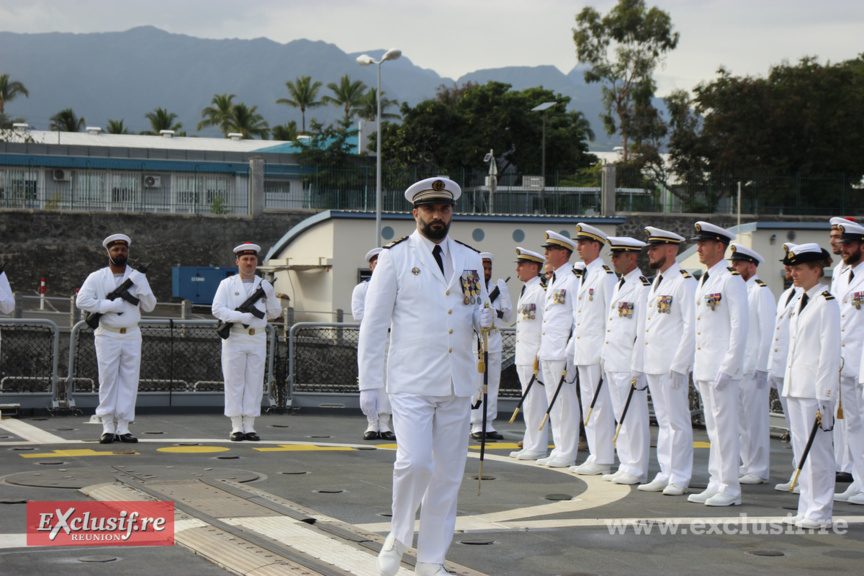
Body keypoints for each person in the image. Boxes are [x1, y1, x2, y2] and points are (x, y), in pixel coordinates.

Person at [357, 176, 493, 576]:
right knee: (416, 463)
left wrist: (483, 320)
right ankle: (397, 538)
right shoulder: (395, 257)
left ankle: (432, 561)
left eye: (445, 208)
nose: (438, 215)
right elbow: (374, 324)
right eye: (430, 209)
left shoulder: (469, 258)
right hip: (411, 380)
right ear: (415, 213)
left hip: (456, 381)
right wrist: (369, 384)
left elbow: (474, 309)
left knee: (447, 477)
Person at [687, 221, 749, 507]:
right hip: (706, 366)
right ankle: (716, 480)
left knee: (725, 429)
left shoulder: (730, 278)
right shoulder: (705, 278)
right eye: (698, 243)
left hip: (722, 368)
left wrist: (730, 365)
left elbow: (739, 325)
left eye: (704, 243)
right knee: (714, 429)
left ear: (719, 247)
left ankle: (731, 487)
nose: (698, 247)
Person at [632, 227, 696, 496]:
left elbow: (691, 327)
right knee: (664, 420)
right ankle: (666, 470)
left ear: (671, 250)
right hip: (654, 362)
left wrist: (680, 365)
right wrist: (639, 363)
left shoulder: (684, 281)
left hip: (672, 364)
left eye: (655, 248)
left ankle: (679, 476)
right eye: (650, 248)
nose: (650, 252)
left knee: (677, 421)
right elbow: (646, 327)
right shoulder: (658, 281)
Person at [782, 243, 841, 529]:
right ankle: (807, 505)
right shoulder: (799, 300)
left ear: (816, 271)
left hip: (814, 389)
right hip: (796, 386)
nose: (793, 272)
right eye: (791, 268)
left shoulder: (827, 302)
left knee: (818, 452)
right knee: (801, 450)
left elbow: (829, 352)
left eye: (799, 268)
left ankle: (821, 510)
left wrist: (826, 394)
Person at [76, 234, 156, 443]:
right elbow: (82, 300)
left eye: (123, 249)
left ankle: (123, 427)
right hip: (107, 334)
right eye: (116, 250)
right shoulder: (97, 277)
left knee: (129, 380)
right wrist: (108, 306)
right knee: (108, 379)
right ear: (108, 252)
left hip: (131, 334)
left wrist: (143, 286)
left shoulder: (137, 277)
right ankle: (107, 426)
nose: (120, 253)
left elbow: (149, 306)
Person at [212, 242, 282, 442]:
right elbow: (217, 309)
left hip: (257, 337)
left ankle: (250, 425)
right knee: (234, 381)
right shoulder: (227, 284)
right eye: (245, 259)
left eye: (252, 259)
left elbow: (276, 313)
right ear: (237, 261)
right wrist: (238, 317)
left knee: (254, 382)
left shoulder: (264, 285)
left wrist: (269, 296)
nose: (249, 263)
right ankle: (236, 425)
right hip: (234, 336)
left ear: (256, 261)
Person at [600, 236, 650, 485]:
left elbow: (642, 331)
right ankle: (626, 462)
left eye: (617, 255)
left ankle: (637, 467)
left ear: (632, 257)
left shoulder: (641, 287)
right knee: (621, 416)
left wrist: (637, 366)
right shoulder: (620, 285)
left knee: (634, 417)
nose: (613, 260)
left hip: (629, 363)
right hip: (614, 359)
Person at [570, 223, 617, 476]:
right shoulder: (587, 274)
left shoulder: (605, 275)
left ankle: (603, 457)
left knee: (600, 406)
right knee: (589, 405)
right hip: (584, 351)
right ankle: (595, 455)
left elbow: (611, 316)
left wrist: (605, 351)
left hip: (598, 351)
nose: (578, 247)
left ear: (595, 246)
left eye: (582, 243)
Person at [728, 243, 775, 485]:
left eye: (737, 263)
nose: (733, 267)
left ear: (751, 265)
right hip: (739, 366)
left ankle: (758, 468)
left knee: (755, 420)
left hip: (754, 366)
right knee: (741, 420)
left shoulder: (760, 291)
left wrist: (763, 367)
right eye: (732, 263)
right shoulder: (738, 290)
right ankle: (747, 464)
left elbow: (768, 333)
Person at [536, 231, 580, 469]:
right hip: (549, 350)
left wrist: (569, 351)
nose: (546, 253)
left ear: (563, 252)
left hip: (562, 352)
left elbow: (576, 318)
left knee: (565, 402)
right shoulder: (553, 280)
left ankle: (568, 451)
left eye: (550, 249)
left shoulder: (572, 279)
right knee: (554, 401)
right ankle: (559, 447)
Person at [831, 220, 864, 505]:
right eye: (842, 245)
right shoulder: (843, 276)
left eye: (850, 245)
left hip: (862, 361)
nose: (844, 250)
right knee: (853, 423)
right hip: (844, 362)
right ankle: (859, 480)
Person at [509, 247, 548, 460]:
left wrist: (540, 353)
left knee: (536, 402)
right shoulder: (526, 289)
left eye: (521, 265)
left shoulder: (541, 290)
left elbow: (545, 324)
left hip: (534, 356)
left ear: (534, 267)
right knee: (529, 401)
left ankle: (537, 446)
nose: (517, 269)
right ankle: (531, 442)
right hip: (523, 354)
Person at [352, 247, 395, 441]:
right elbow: (359, 314)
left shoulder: (396, 287)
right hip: (371, 336)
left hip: (391, 337)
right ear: (371, 266)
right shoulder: (362, 289)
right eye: (376, 264)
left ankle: (385, 422)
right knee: (370, 377)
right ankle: (372, 422)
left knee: (388, 379)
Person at [470, 252, 513, 440]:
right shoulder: (471, 285)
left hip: (494, 342)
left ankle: (488, 423)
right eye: (483, 268)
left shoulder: (497, 288)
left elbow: (508, 316)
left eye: (489, 269)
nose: (486, 272)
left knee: (493, 384)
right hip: (476, 342)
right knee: (477, 384)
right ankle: (476, 424)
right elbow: (465, 309)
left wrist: (504, 296)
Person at [770, 246, 802, 493]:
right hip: (783, 369)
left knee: (803, 428)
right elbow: (777, 334)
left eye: (795, 265)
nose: (789, 269)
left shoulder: (811, 297)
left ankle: (803, 473)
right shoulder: (786, 295)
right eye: (788, 265)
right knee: (794, 427)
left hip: (801, 370)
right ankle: (797, 470)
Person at [829, 217, 854, 482]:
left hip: (858, 358)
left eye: (842, 239)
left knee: (856, 420)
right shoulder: (840, 271)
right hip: (843, 358)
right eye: (837, 238)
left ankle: (853, 468)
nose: (836, 243)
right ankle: (845, 465)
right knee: (844, 417)